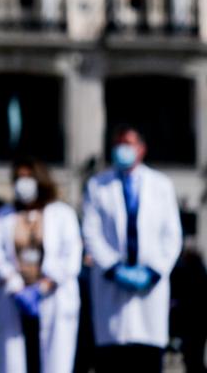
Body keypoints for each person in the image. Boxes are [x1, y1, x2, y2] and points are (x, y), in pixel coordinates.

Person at [82, 126, 183, 373]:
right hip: (111, 285)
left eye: (128, 143)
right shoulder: (98, 185)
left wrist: (154, 271)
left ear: (142, 148)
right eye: (118, 144)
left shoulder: (161, 185)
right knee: (113, 357)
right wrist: (114, 268)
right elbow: (91, 232)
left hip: (150, 289)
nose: (122, 149)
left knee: (146, 357)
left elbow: (171, 236)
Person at [0, 158, 81, 373]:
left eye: (28, 177)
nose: (23, 182)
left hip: (51, 296)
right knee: (13, 360)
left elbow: (71, 255)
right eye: (19, 178)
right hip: (14, 298)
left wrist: (44, 286)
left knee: (53, 361)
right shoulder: (3, 216)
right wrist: (15, 284)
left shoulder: (62, 214)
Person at [171, 239, 207, 373]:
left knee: (192, 358)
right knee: (194, 357)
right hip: (197, 322)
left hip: (191, 321)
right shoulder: (200, 270)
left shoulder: (185, 270)